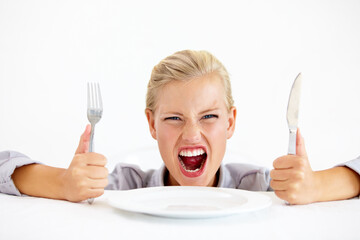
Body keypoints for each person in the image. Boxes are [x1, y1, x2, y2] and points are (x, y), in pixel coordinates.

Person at [1, 50, 359, 205]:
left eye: (209, 117)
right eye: (174, 118)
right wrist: (63, 184)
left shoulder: (261, 187)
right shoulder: (123, 187)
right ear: (151, 124)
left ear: (231, 122)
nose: (191, 135)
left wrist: (315, 187)